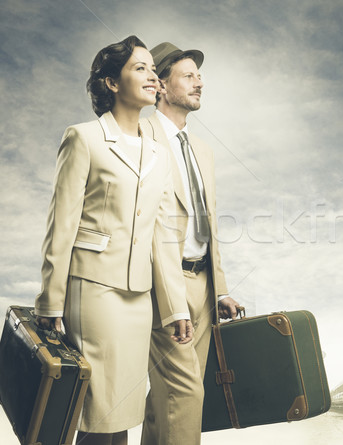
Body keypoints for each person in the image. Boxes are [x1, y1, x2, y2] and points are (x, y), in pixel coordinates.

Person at [34, 35, 192, 445]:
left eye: (152, 70)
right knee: (95, 409)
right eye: (140, 68)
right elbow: (61, 224)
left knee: (121, 410)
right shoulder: (83, 137)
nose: (152, 76)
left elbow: (162, 234)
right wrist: (50, 300)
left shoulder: (159, 152)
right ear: (111, 83)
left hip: (139, 296)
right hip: (94, 291)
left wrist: (175, 309)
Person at [140, 42, 239, 445]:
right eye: (188, 76)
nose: (200, 83)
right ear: (161, 84)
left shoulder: (202, 149)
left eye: (199, 76)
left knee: (168, 399)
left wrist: (221, 289)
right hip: (163, 283)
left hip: (202, 285)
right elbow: (146, 225)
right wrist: (173, 300)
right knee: (186, 393)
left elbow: (207, 225)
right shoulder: (140, 134)